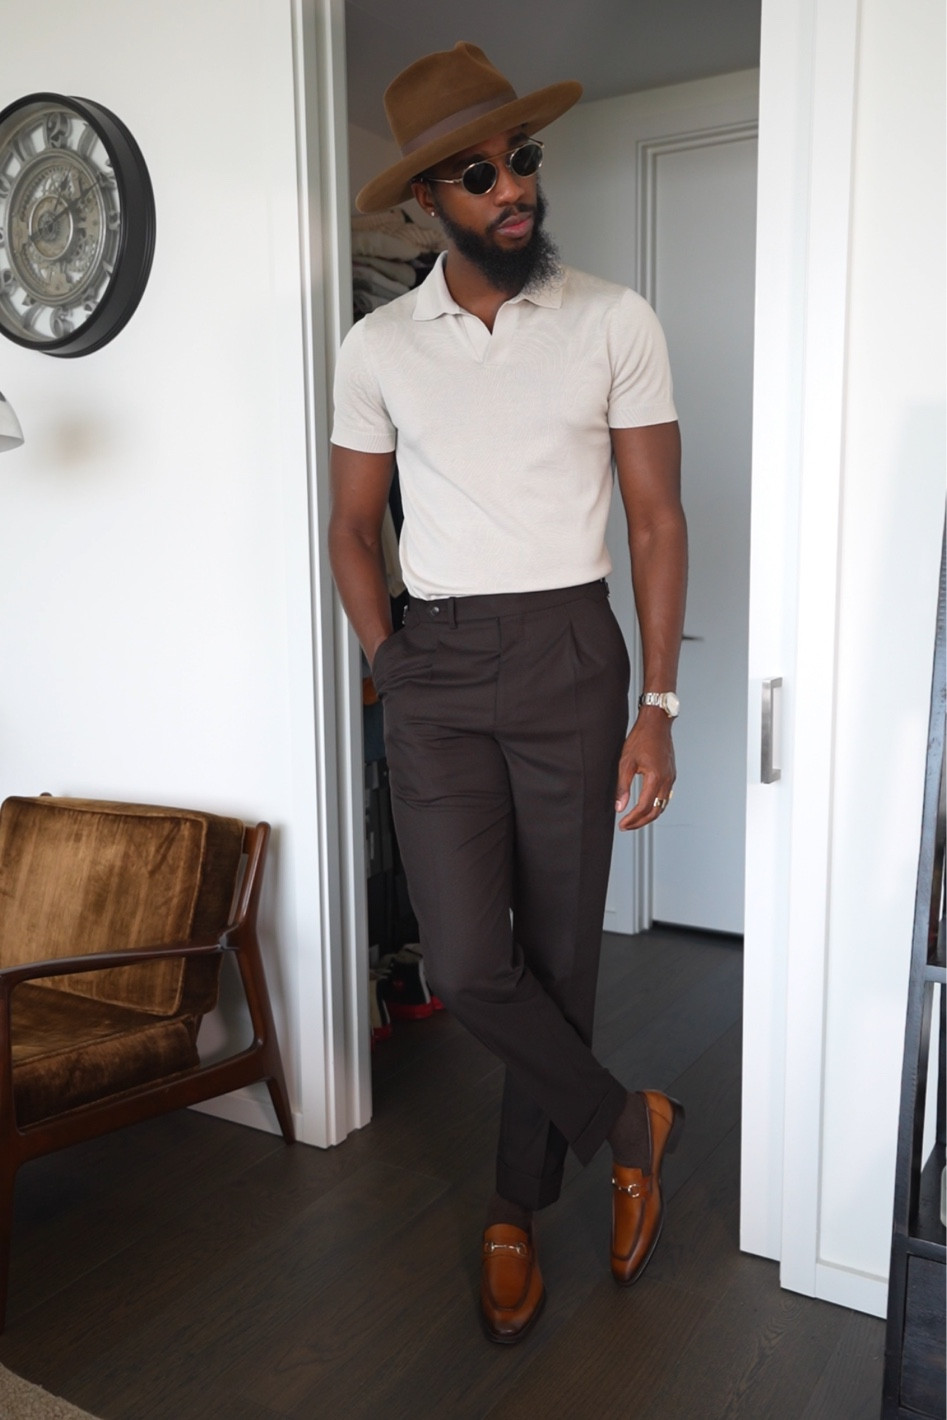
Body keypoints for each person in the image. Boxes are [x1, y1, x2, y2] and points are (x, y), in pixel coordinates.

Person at [329, 41, 688, 1345]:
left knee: (561, 956)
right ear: (430, 198)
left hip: (570, 658)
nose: (512, 187)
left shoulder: (613, 321)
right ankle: (629, 1122)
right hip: (433, 662)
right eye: (479, 173)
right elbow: (349, 526)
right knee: (475, 961)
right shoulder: (377, 348)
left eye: (522, 159)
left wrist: (659, 705)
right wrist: (387, 656)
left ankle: (513, 1208)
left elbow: (656, 521)